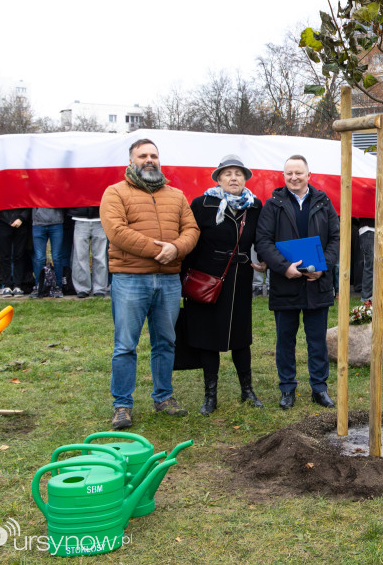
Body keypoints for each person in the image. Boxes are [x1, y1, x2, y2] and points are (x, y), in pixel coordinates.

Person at [100, 138, 200, 429]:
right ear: (131, 161)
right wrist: (159, 249)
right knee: (125, 345)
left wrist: (177, 249)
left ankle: (164, 397)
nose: (149, 159)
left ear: (159, 160)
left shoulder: (176, 196)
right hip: (130, 279)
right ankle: (122, 405)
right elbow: (116, 231)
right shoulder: (115, 192)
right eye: (142, 155)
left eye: (153, 155)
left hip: (169, 280)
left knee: (166, 342)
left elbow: (191, 229)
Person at [181, 156, 267, 414]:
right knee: (209, 336)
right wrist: (183, 279)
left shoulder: (254, 206)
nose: (233, 178)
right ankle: (211, 396)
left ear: (245, 179)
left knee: (241, 336)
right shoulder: (202, 204)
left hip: (240, 279)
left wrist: (262, 258)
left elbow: (261, 239)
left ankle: (247, 390)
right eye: (227, 174)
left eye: (238, 174)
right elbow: (190, 241)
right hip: (206, 281)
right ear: (218, 179)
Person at [256, 154, 339, 410]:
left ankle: (319, 388)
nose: (294, 177)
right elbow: (263, 242)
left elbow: (336, 238)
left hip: (317, 284)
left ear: (308, 176)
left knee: (317, 341)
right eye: (289, 173)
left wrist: (322, 268)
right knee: (285, 341)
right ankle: (287, 389)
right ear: (284, 177)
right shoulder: (273, 205)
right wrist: (283, 268)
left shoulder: (324, 203)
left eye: (298, 173)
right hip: (285, 285)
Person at [67, 206, 109, 298]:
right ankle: (82, 288)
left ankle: (99, 288)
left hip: (99, 218)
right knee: (80, 256)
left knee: (100, 257)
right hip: (80, 217)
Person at [30, 207, 66, 298]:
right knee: (39, 258)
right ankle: (39, 286)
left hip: (56, 223)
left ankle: (58, 287)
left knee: (57, 257)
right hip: (38, 224)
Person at [0, 208, 30, 296]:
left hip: (21, 224)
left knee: (19, 255)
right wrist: (6, 219)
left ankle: (17, 285)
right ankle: (7, 285)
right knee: (4, 255)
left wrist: (21, 218)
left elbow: (29, 203)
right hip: (4, 222)